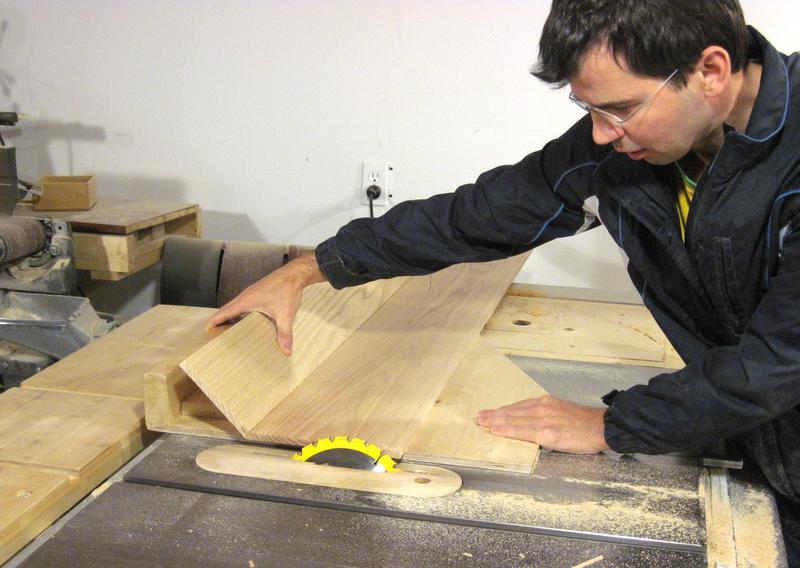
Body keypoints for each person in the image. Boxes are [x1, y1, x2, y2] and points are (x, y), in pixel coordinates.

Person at [209, 0, 800, 561]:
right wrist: (315, 267)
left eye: (620, 109)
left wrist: (610, 424)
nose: (601, 134)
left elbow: (775, 362)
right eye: (588, 109)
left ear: (710, 71)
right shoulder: (626, 151)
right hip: (763, 450)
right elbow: (482, 214)